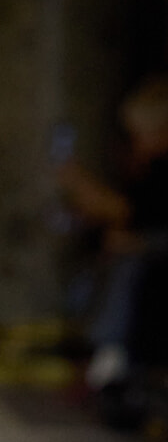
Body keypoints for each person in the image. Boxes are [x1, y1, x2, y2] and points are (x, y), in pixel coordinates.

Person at [59, 74, 168, 400]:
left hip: (152, 258)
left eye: (141, 135)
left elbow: (127, 213)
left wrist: (79, 184)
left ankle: (108, 355)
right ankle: (102, 354)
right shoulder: (150, 169)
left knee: (125, 271)